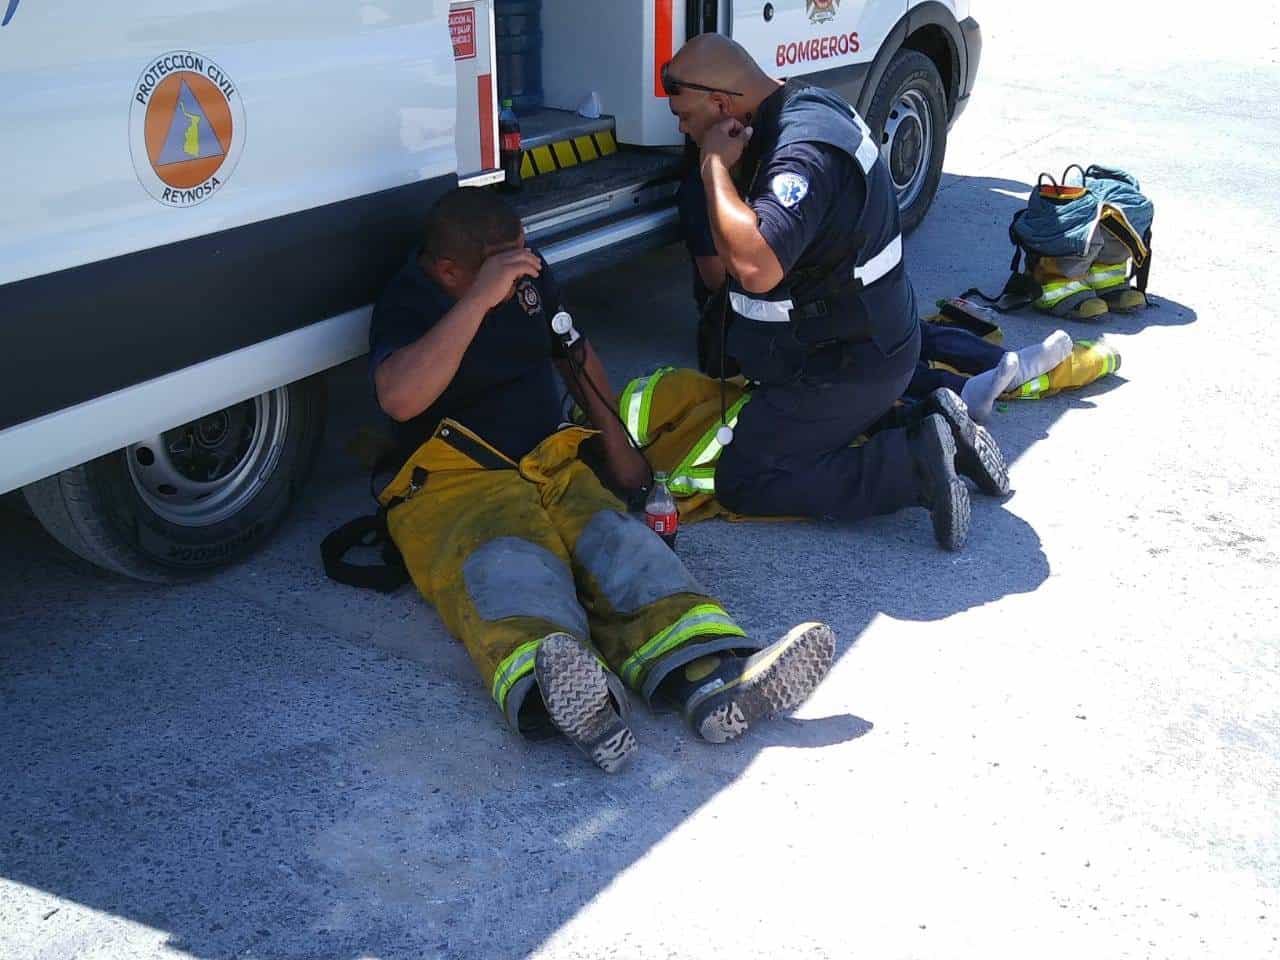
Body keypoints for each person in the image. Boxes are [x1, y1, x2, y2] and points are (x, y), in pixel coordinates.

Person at [367, 186, 835, 773]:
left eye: (524, 256)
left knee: (621, 547)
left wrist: (622, 453)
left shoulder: (526, 274)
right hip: (457, 480)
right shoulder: (412, 298)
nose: (524, 274)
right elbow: (400, 397)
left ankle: (712, 679)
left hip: (551, 460)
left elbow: (575, 355)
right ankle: (575, 703)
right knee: (512, 570)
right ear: (448, 271)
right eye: (503, 267)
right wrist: (482, 299)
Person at [663, 34, 1011, 550]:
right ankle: (935, 423)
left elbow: (755, 267)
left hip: (848, 362)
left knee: (744, 478)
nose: (682, 129)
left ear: (720, 105)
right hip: (865, 344)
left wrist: (713, 166)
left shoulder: (800, 152)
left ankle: (914, 466)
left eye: (685, 116)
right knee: (803, 429)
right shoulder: (808, 103)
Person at [677, 168, 1076, 424]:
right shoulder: (706, 189)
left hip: (791, 307)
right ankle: (964, 392)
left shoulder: (775, 169)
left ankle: (1007, 365)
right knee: (858, 356)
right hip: (745, 329)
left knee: (893, 324)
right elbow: (719, 278)